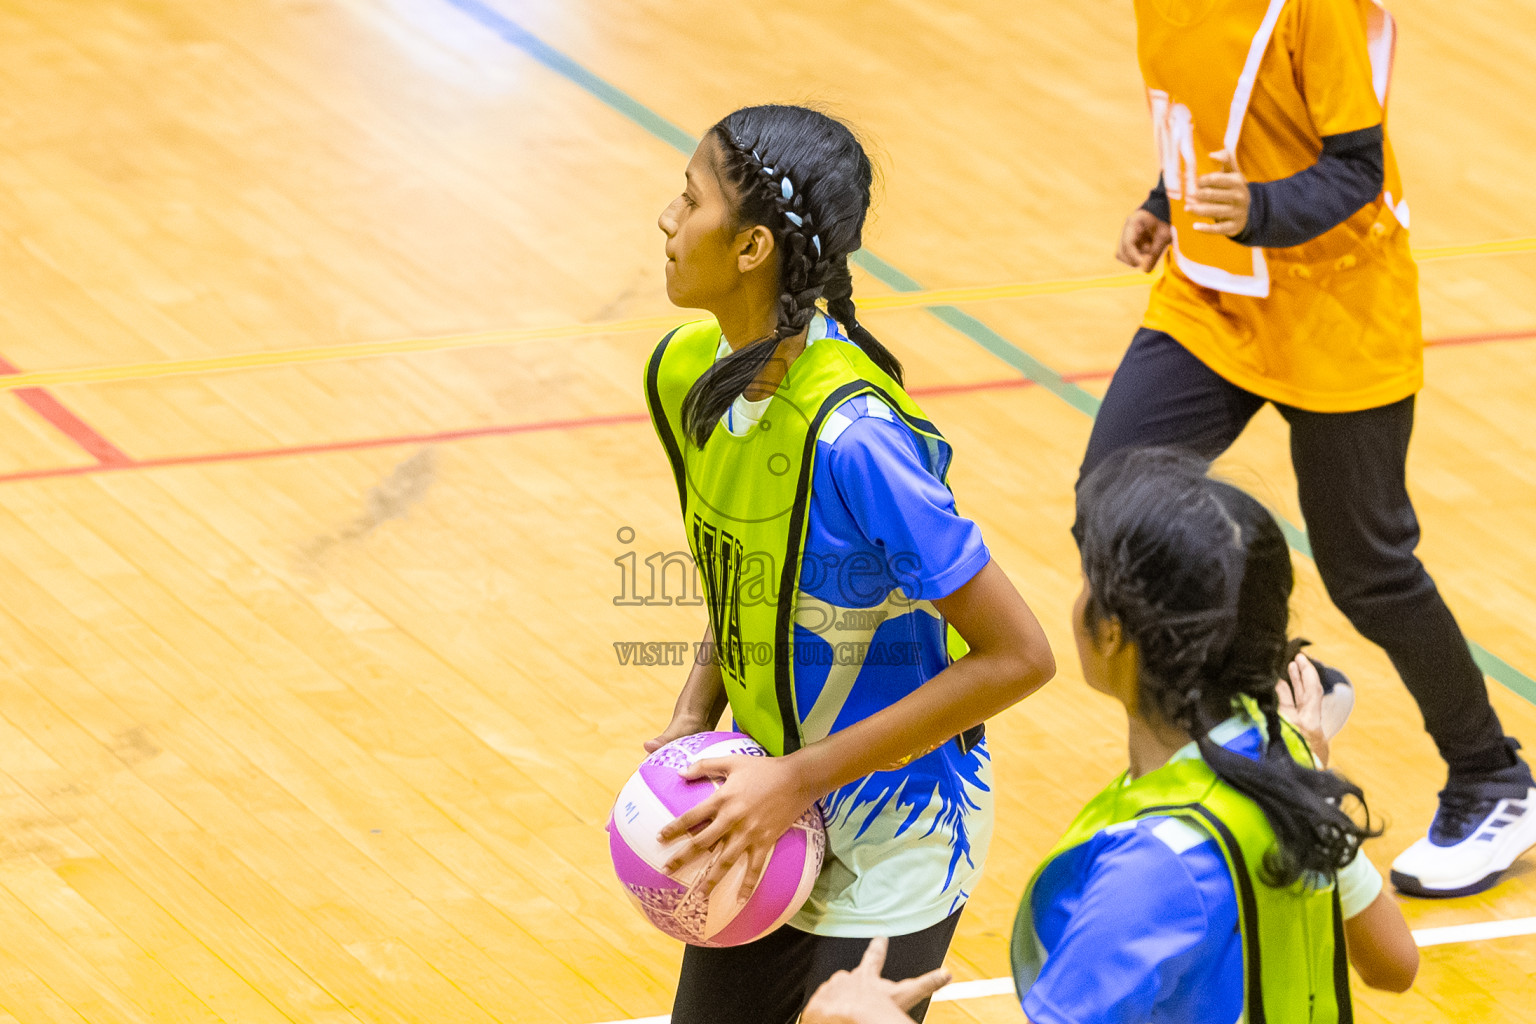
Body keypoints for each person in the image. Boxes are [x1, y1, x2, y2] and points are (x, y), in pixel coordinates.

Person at [1093, 0, 1536, 897]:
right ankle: (1288, 685)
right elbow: (1217, 111)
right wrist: (1165, 201)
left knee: (1369, 566)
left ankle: (1494, 779)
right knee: (1113, 496)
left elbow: (1354, 170)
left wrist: (1250, 206)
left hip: (1338, 303)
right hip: (1214, 297)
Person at [644, 104, 1057, 1023]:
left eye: (688, 198)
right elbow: (748, 576)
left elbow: (1019, 657)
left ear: (752, 248)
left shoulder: (856, 441)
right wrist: (693, 712)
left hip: (896, 835)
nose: (668, 220)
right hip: (766, 812)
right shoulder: (686, 375)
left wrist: (797, 777)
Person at [805, 450, 1420, 1024]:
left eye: (1087, 580)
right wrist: (1309, 793)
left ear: (1112, 634)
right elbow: (1394, 964)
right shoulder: (1282, 775)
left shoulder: (1155, 870)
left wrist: (869, 1016)